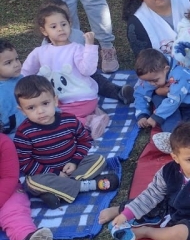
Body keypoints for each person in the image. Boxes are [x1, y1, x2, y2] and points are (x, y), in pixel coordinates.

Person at [101, 122, 190, 240]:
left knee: (179, 234)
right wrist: (126, 214)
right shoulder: (167, 171)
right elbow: (150, 196)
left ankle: (146, 232)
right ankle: (118, 210)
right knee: (149, 201)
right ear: (175, 157)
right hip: (170, 206)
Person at [14, 75, 118, 209]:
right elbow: (25, 163)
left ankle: (60, 192)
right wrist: (55, 173)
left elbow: (84, 140)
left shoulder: (69, 120)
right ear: (22, 111)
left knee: (99, 159)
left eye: (45, 103)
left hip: (73, 167)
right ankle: (88, 185)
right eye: (31, 108)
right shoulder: (24, 133)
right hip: (46, 173)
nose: (40, 111)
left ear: (55, 101)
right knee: (32, 183)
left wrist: (74, 161)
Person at [22, 5, 110, 138]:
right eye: (53, 26)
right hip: (58, 101)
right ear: (44, 31)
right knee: (47, 115)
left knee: (57, 120)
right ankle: (92, 114)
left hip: (81, 98)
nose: (60, 29)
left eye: (63, 24)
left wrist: (89, 46)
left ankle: (90, 121)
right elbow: (25, 74)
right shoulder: (39, 52)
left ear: (70, 24)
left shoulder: (77, 49)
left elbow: (88, 70)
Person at [42, 0, 134, 105]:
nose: (60, 27)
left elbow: (86, 58)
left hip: (82, 72)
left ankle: (119, 93)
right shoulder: (46, 43)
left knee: (99, 80)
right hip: (62, 78)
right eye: (54, 24)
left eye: (65, 19)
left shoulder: (78, 34)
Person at [0, 128, 53, 240]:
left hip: (6, 190)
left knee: (14, 210)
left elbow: (9, 177)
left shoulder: (3, 142)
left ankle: (28, 239)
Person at [0, 41, 25, 136]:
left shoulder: (22, 80)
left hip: (32, 127)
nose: (16, 64)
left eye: (17, 59)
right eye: (8, 62)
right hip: (10, 136)